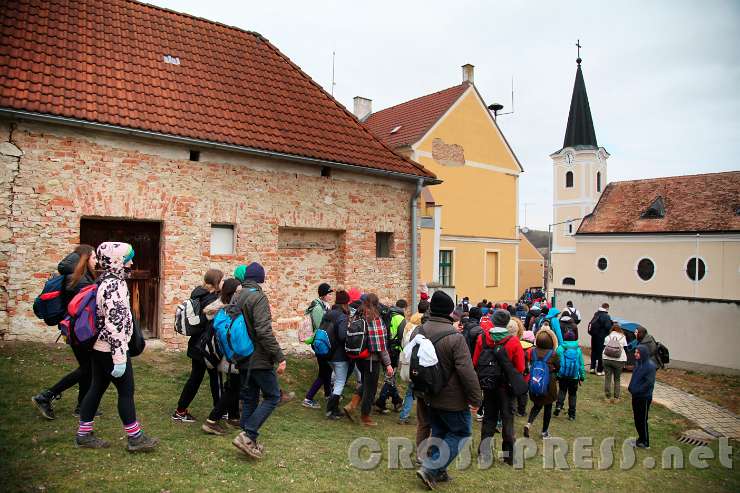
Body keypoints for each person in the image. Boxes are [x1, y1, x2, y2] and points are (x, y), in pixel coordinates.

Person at [75, 242, 158, 451]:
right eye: (127, 258)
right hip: (111, 350)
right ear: (117, 260)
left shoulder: (105, 280)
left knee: (96, 387)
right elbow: (115, 325)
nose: (131, 262)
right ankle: (135, 438)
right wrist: (120, 358)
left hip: (100, 347)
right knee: (126, 391)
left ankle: (83, 434)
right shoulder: (114, 286)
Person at [415, 291, 482, 490]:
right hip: (452, 398)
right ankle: (430, 467)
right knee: (461, 433)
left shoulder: (419, 330)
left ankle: (439, 470)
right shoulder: (455, 338)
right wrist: (476, 399)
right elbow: (467, 372)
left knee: (441, 432)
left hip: (427, 392)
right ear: (450, 312)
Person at [33, 245, 98, 420]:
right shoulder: (80, 280)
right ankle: (46, 396)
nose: (96, 261)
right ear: (85, 259)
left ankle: (82, 406)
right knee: (87, 368)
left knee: (88, 368)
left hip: (75, 329)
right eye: (93, 258)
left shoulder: (75, 276)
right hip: (80, 331)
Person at [231, 262, 287, 460]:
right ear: (260, 278)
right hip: (259, 357)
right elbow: (263, 331)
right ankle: (248, 435)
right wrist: (279, 356)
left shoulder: (237, 296)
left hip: (242, 355)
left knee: (250, 398)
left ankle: (248, 440)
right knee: (272, 396)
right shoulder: (258, 297)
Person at [472, 309, 524, 466]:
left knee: (489, 419)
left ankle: (484, 454)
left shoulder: (482, 338)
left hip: (488, 385)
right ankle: (509, 456)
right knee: (508, 419)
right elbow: (520, 367)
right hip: (506, 387)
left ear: (493, 321)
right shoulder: (513, 341)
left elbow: (475, 362)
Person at [171, 269, 224, 423]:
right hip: (208, 346)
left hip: (196, 345)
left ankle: (180, 411)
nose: (223, 282)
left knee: (195, 378)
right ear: (215, 282)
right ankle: (220, 412)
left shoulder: (198, 294)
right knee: (216, 378)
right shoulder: (212, 300)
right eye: (221, 280)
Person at [342, 293, 393, 426]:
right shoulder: (374, 318)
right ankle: (365, 417)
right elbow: (381, 345)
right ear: (376, 303)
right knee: (371, 389)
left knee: (366, 383)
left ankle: (351, 406)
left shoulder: (358, 313)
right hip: (371, 359)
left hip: (359, 357)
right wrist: (388, 364)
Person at [201, 278, 243, 435]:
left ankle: (233, 416)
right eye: (238, 292)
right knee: (232, 387)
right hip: (227, 354)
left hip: (227, 354)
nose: (241, 294)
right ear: (232, 293)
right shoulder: (226, 308)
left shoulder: (226, 307)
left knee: (234, 385)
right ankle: (212, 421)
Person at [524, 329, 560, 439]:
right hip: (549, 384)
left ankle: (528, 424)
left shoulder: (533, 351)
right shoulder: (553, 354)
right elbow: (558, 367)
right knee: (548, 407)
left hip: (535, 381)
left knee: (536, 405)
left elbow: (528, 362)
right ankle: (544, 432)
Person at [302, 282, 334, 409]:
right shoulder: (317, 308)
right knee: (324, 372)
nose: (331, 296)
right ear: (323, 295)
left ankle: (328, 394)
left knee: (327, 370)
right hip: (320, 343)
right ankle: (308, 398)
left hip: (322, 342)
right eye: (329, 294)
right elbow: (321, 326)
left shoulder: (324, 306)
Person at [399, 299, 430, 425]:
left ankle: (404, 415)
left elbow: (403, 343)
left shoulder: (409, 324)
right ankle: (424, 417)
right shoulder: (423, 327)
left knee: (411, 390)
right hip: (419, 362)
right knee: (423, 391)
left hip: (408, 360)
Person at [375, 299, 408, 413]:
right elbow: (402, 337)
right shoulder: (401, 319)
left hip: (383, 349)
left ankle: (396, 401)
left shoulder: (384, 315)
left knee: (389, 377)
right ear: (404, 308)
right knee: (390, 377)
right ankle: (381, 401)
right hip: (394, 351)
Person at [324, 289, 351, 419]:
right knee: (340, 381)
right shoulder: (342, 316)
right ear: (345, 303)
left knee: (336, 379)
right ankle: (330, 409)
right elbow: (342, 336)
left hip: (327, 352)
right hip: (339, 355)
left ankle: (334, 408)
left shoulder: (328, 313)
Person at [628, 344, 656, 449]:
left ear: (643, 354)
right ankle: (640, 438)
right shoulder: (638, 364)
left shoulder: (650, 366)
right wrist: (631, 387)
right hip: (636, 396)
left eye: (637, 352)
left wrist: (637, 390)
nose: (635, 354)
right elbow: (635, 378)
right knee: (637, 418)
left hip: (644, 397)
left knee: (642, 419)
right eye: (635, 352)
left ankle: (645, 442)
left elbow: (649, 383)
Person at [554, 330, 586, 420]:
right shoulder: (578, 350)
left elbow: (556, 362)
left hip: (562, 375)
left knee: (562, 390)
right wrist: (582, 376)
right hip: (574, 377)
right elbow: (581, 365)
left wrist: (556, 373)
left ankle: (558, 406)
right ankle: (571, 414)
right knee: (572, 394)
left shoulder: (560, 348)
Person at [603, 323, 628, 402]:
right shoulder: (623, 337)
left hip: (606, 359)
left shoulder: (607, 337)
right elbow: (626, 348)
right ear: (620, 329)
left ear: (612, 329)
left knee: (608, 378)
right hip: (619, 360)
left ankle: (607, 397)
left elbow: (605, 347)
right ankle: (616, 397)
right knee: (617, 379)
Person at [587, 303, 612, 375]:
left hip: (594, 336)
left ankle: (592, 368)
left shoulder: (596, 314)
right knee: (601, 353)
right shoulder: (606, 316)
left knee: (594, 351)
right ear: (607, 308)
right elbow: (608, 327)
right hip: (601, 337)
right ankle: (599, 370)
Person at [517, 330, 536, 416]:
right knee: (524, 394)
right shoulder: (531, 350)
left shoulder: (517, 345)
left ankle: (515, 408)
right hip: (526, 375)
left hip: (517, 373)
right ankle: (521, 411)